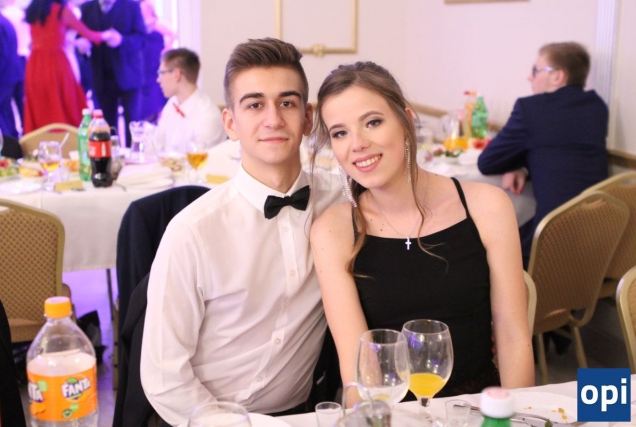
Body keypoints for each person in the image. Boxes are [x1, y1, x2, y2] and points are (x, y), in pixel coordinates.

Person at [310, 61, 535, 406]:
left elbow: (513, 338)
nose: (357, 144)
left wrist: (510, 416)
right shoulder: (333, 230)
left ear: (406, 120)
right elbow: (357, 372)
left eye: (372, 122)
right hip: (391, 413)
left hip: (479, 409)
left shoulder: (487, 206)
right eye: (340, 133)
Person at [141, 38, 341, 425]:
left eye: (287, 103)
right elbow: (165, 379)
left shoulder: (340, 203)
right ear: (230, 123)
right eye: (254, 105)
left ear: (307, 118)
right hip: (204, 418)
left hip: (300, 416)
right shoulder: (192, 232)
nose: (273, 119)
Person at [477, 42, 609, 268]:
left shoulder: (532, 109)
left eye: (536, 70)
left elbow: (487, 162)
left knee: (483, 247)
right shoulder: (596, 107)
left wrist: (517, 165)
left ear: (558, 76)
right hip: (601, 234)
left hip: (553, 236)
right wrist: (524, 168)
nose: (530, 77)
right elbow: (560, 151)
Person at [23, 0, 103, 134]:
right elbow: (90, 35)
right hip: (56, 64)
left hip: (35, 65)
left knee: (39, 107)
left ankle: (40, 143)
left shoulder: (33, 11)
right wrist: (106, 35)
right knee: (64, 105)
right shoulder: (62, 11)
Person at [80, 0, 146, 146]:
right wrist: (82, 47)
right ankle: (110, 156)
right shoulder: (86, 8)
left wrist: (122, 40)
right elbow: (80, 37)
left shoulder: (132, 6)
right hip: (101, 77)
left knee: (133, 121)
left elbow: (142, 39)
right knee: (106, 125)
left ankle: (133, 156)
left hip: (129, 75)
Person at [153, 48, 224, 153]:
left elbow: (200, 160)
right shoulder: (172, 103)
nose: (158, 79)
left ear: (176, 74)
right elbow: (157, 146)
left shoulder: (208, 116)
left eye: (161, 73)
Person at [0, 0, 30, 130]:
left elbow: (2, 50)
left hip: (6, 68)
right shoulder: (10, 17)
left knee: (2, 109)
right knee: (18, 106)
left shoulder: (3, 18)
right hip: (19, 63)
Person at [138, 0, 166, 123]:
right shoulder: (138, 28)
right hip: (142, 71)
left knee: (154, 100)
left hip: (153, 69)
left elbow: (171, 34)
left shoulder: (157, 32)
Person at [0, 5, 21, 139]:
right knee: (5, 112)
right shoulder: (4, 21)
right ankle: (12, 143)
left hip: (2, 76)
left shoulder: (0, 22)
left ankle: (6, 146)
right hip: (9, 74)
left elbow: (2, 52)